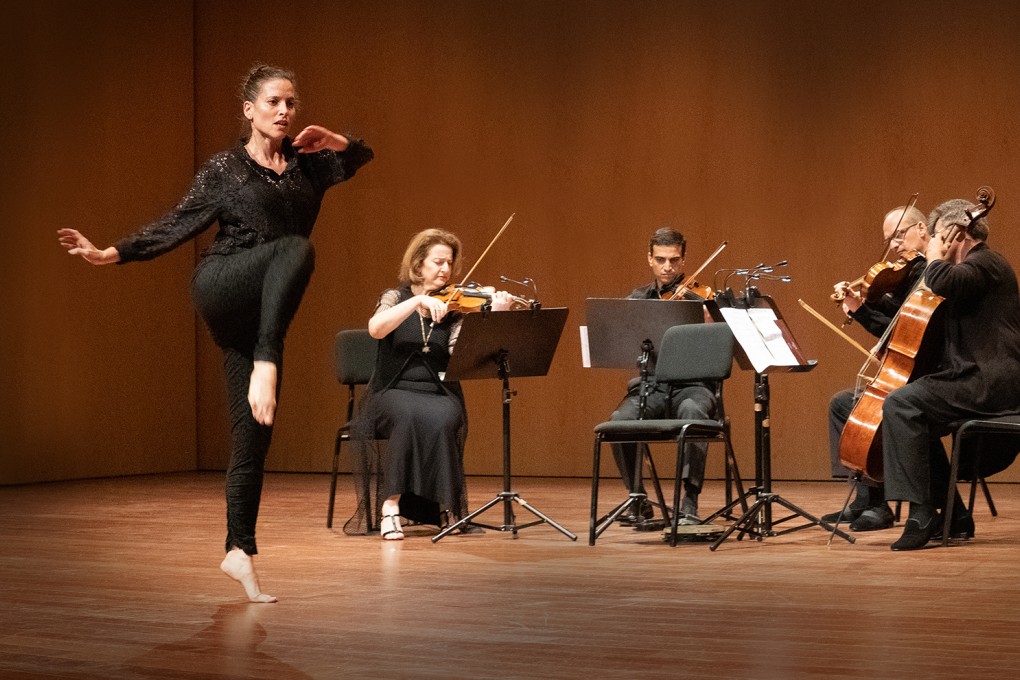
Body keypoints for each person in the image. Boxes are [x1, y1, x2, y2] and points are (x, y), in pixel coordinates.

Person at [57, 64, 373, 600]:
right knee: (298, 248)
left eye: (292, 104)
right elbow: (178, 223)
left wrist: (335, 139)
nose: (285, 112)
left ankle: (239, 552)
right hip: (222, 284)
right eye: (274, 102)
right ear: (249, 109)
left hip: (260, 314)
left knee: (254, 434)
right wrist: (113, 253)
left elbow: (360, 157)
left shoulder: (308, 168)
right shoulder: (225, 170)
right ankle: (266, 363)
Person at [344, 229, 514, 540]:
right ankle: (390, 509)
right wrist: (417, 301)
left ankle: (446, 509)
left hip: (437, 392)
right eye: (438, 262)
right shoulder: (395, 298)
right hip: (391, 391)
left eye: (449, 263)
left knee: (443, 417)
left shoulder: (453, 307)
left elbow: (457, 354)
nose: (445, 270)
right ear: (419, 263)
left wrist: (495, 318)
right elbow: (376, 329)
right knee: (408, 416)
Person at [881, 198, 1020, 550]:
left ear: (956, 234)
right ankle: (955, 515)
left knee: (901, 405)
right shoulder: (974, 268)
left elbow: (942, 279)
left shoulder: (986, 263)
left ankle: (921, 512)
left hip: (989, 382)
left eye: (938, 233)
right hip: (971, 377)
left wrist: (932, 254)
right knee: (912, 414)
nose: (934, 241)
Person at [820, 205, 931, 532]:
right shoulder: (909, 274)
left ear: (922, 230)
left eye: (900, 235)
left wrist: (861, 311)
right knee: (842, 404)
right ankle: (866, 499)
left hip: (925, 372)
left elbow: (902, 331)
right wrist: (863, 304)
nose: (895, 245)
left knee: (867, 406)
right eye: (889, 239)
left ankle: (879, 505)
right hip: (908, 369)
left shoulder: (930, 273)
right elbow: (895, 319)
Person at [607, 227, 716, 526]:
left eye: (674, 260)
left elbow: (719, 350)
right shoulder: (638, 299)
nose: (667, 267)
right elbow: (620, 341)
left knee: (693, 413)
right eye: (661, 259)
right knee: (618, 424)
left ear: (683, 261)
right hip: (651, 386)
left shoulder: (702, 298)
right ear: (650, 260)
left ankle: (689, 502)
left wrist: (709, 323)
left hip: (692, 386)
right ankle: (638, 498)